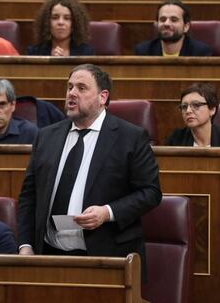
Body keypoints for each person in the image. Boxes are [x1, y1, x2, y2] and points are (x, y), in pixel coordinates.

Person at [17, 64, 161, 280]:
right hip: (48, 256)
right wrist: (26, 245)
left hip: (105, 259)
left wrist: (107, 212)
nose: (72, 93)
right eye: (69, 87)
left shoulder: (130, 137)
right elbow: (29, 196)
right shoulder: (46, 136)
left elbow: (150, 192)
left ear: (103, 97)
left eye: (82, 88)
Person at [134, 0, 212, 56]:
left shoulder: (200, 53)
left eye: (174, 20)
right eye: (162, 19)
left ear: (186, 27)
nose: (166, 23)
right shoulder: (143, 51)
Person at [26, 0, 94, 56]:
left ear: (75, 24)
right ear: (46, 22)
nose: (60, 22)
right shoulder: (34, 52)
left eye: (67, 18)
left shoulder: (86, 52)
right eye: (55, 17)